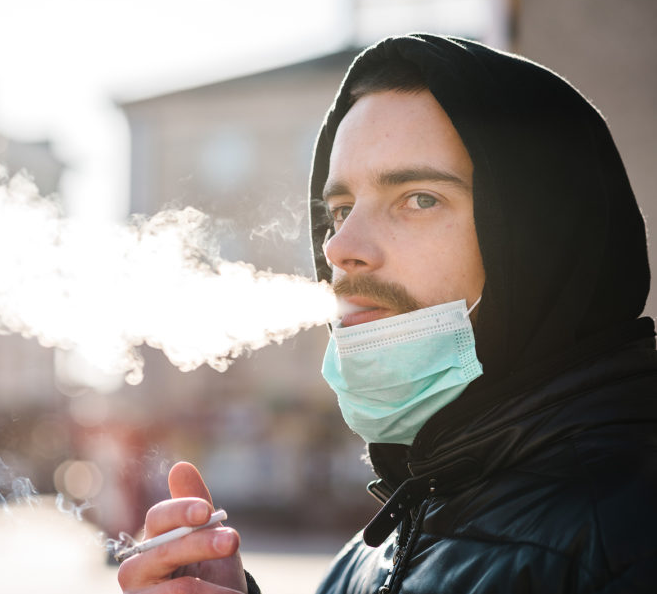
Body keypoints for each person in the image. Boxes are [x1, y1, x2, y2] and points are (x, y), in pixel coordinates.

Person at [117, 33, 657, 594]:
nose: (339, 248)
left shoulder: (626, 539)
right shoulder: (372, 554)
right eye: (340, 209)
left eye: (419, 199)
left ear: (545, 240)